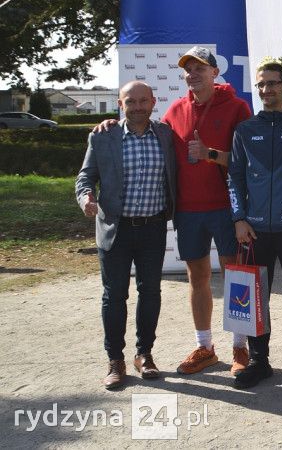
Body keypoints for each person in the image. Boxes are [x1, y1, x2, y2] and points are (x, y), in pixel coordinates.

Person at [96, 46, 252, 375]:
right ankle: (205, 346)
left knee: (236, 276)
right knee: (198, 278)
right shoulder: (175, 111)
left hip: (227, 207)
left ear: (214, 72)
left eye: (200, 68)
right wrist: (112, 123)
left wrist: (211, 154)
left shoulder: (237, 108)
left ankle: (240, 345)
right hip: (188, 210)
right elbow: (144, 129)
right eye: (188, 69)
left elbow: (248, 161)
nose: (193, 74)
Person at [76, 81, 176, 390]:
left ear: (153, 102)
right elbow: (85, 176)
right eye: (130, 101)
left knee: (150, 292)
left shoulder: (166, 135)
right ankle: (115, 360)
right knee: (114, 295)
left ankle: (144, 354)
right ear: (120, 104)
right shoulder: (102, 136)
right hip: (114, 229)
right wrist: (86, 197)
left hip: (153, 228)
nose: (137, 107)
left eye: (143, 101)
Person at [228, 57, 282, 390]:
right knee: (254, 298)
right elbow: (234, 177)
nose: (266, 89)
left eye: (272, 83)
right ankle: (259, 362)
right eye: (261, 84)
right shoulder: (246, 129)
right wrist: (239, 218)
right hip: (254, 229)